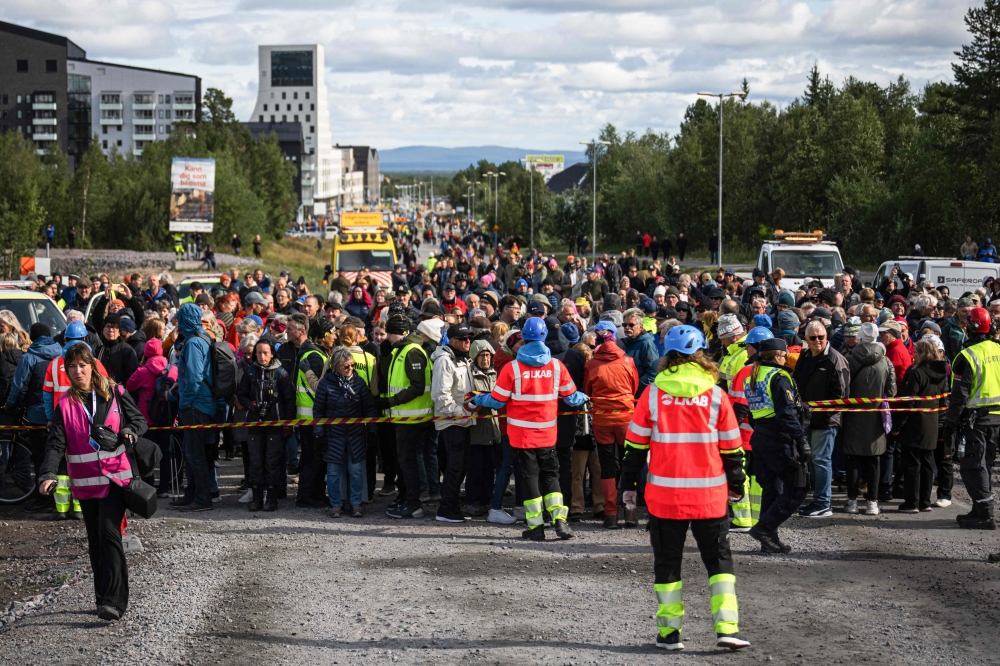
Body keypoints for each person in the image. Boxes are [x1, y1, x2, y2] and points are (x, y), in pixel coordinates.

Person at [620, 324, 749, 651]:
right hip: (710, 497)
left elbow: (634, 446)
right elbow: (733, 449)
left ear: (667, 356)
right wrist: (737, 485)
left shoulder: (652, 394)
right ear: (701, 355)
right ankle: (727, 629)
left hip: (665, 498)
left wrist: (628, 486)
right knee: (719, 565)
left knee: (667, 564)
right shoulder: (717, 395)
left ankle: (669, 635)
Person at [38, 343, 147, 621]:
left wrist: (129, 432)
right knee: (96, 540)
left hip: (114, 478)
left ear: (92, 366)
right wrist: (48, 474)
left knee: (110, 535)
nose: (77, 371)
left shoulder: (116, 393)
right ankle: (102, 598)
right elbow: (55, 444)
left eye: (82, 365)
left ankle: (115, 602)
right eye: (72, 366)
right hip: (85, 484)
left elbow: (139, 421)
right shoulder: (65, 404)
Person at [471, 316, 589, 541]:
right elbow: (572, 398)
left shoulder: (511, 368)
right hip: (548, 434)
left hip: (521, 437)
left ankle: (536, 528)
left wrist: (478, 400)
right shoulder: (556, 366)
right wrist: (583, 396)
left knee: (530, 480)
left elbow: (497, 401)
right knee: (551, 477)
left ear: (523, 337)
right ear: (544, 336)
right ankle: (560, 522)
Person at [744, 338, 809, 553]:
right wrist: (801, 440)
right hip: (778, 439)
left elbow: (753, 414)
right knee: (798, 487)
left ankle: (769, 542)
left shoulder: (752, 375)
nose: (785, 360)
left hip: (760, 437)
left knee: (771, 491)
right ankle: (763, 529)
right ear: (776, 357)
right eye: (783, 356)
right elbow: (786, 414)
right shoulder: (779, 376)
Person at [945, 307, 1000, 534]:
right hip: (996, 418)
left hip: (977, 420)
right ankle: (979, 510)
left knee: (972, 466)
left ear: (967, 326)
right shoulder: (997, 349)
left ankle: (985, 513)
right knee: (984, 465)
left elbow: (960, 395)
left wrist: (949, 425)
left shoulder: (967, 356)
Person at [583, 322, 638, 529]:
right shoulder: (628, 361)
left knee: (607, 467)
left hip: (602, 420)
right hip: (626, 419)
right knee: (629, 466)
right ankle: (630, 512)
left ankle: (611, 514)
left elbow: (587, 390)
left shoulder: (591, 364)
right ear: (614, 337)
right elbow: (634, 387)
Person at [793, 320, 850, 519]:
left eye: (821, 337)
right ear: (806, 339)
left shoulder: (835, 359)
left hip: (826, 421)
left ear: (827, 337)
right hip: (806, 419)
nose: (818, 340)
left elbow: (841, 395)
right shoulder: (805, 355)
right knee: (812, 461)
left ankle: (824, 503)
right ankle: (816, 500)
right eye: (813, 337)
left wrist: (819, 412)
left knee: (821, 460)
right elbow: (797, 383)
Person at [381, 314, 435, 519]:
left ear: (403, 333)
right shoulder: (401, 350)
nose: (388, 338)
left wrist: (391, 402)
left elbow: (417, 388)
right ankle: (407, 499)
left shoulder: (412, 352)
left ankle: (413, 504)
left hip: (413, 418)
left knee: (408, 461)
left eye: (391, 333)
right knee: (405, 461)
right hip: (405, 417)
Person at [4, 323, 61, 512]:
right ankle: (61, 499)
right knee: (58, 457)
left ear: (32, 337)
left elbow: (18, 386)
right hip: (61, 412)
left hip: (37, 413)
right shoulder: (61, 353)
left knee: (39, 457)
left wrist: (10, 404)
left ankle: (44, 500)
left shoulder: (29, 357)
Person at [314, 346, 377, 518]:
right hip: (333, 434)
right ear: (336, 367)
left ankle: (356, 503)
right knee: (333, 472)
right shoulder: (326, 384)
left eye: (352, 365)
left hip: (356, 434)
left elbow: (368, 408)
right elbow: (318, 410)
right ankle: (336, 503)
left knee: (356, 471)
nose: (350, 369)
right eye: (346, 366)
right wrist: (318, 430)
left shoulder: (359, 382)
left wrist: (372, 430)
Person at [841, 322, 897, 515]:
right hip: (876, 417)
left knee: (853, 459)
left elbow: (843, 389)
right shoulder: (885, 361)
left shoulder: (848, 359)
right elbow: (892, 391)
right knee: (874, 460)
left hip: (852, 416)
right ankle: (873, 502)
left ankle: (852, 501)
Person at [237, 339, 295, 511]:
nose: (262, 356)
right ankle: (256, 498)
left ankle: (271, 497)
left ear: (272, 354)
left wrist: (287, 425)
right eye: (259, 353)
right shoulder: (250, 372)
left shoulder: (281, 374)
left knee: (272, 462)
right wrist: (252, 405)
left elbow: (289, 401)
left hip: (275, 425)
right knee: (255, 462)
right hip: (255, 423)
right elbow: (241, 394)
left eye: (265, 353)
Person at [169, 303, 217, 512]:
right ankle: (192, 494)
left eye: (180, 318)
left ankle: (202, 499)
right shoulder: (202, 338)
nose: (177, 322)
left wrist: (185, 401)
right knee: (193, 454)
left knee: (195, 453)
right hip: (200, 403)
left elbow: (196, 377)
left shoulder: (193, 343)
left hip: (196, 406)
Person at [893, 339, 948, 513]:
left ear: (923, 354)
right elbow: (943, 401)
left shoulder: (917, 374)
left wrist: (898, 426)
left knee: (912, 465)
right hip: (931, 422)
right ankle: (924, 501)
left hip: (915, 424)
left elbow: (908, 402)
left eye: (916, 352)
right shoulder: (940, 374)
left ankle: (912, 502)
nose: (913, 355)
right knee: (927, 464)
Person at [728, 326, 772, 532]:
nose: (745, 350)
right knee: (758, 478)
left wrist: (728, 434)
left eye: (747, 346)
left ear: (755, 348)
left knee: (740, 476)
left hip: (744, 436)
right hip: (765, 437)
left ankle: (742, 519)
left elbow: (739, 406)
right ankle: (757, 518)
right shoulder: (776, 373)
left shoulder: (746, 372)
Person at [431, 322, 475, 523]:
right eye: (464, 339)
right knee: (454, 466)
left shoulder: (463, 359)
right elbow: (441, 395)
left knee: (462, 465)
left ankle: (452, 505)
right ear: (453, 341)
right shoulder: (445, 360)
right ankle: (446, 508)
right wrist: (461, 413)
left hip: (463, 420)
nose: (468, 342)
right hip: (451, 421)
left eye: (469, 339)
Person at [288, 313, 329, 508]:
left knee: (311, 458)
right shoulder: (312, 354)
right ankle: (309, 496)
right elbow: (320, 389)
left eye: (290, 328)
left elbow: (315, 387)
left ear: (302, 331)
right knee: (314, 459)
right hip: (313, 418)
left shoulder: (309, 354)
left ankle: (314, 495)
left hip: (309, 417)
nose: (286, 331)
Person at [467, 339, 500, 517]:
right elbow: (468, 399)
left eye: (488, 355)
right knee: (475, 468)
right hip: (476, 429)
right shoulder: (469, 374)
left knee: (490, 467)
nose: (486, 359)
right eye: (482, 355)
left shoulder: (496, 374)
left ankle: (487, 501)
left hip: (493, 428)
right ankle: (471, 501)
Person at [622, 308, 659, 397]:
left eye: (631, 325)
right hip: (628, 393)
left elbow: (653, 373)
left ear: (641, 327)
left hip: (640, 395)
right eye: (624, 324)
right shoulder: (626, 342)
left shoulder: (647, 344)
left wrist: (635, 387)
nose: (627, 327)